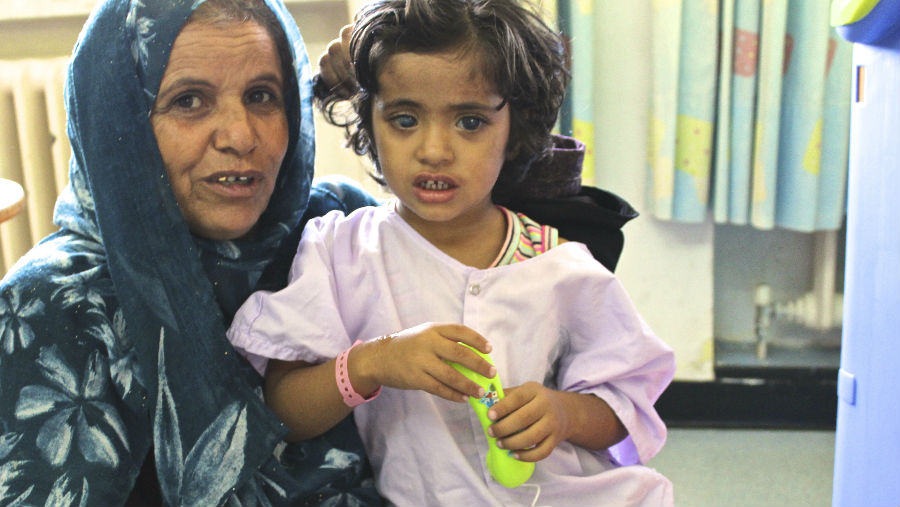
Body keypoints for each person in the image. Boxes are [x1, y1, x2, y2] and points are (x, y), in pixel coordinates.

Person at [226, 1, 676, 505]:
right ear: (368, 123)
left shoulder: (559, 263)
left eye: (469, 122)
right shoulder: (342, 251)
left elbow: (625, 404)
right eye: (404, 119)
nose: (435, 149)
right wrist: (372, 363)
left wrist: (566, 413)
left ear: (515, 129)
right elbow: (283, 412)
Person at [0, 0, 382, 505]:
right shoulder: (52, 306)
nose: (241, 136)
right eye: (189, 101)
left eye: (262, 96)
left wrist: (399, 89)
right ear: (121, 124)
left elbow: (503, 259)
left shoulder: (335, 229)